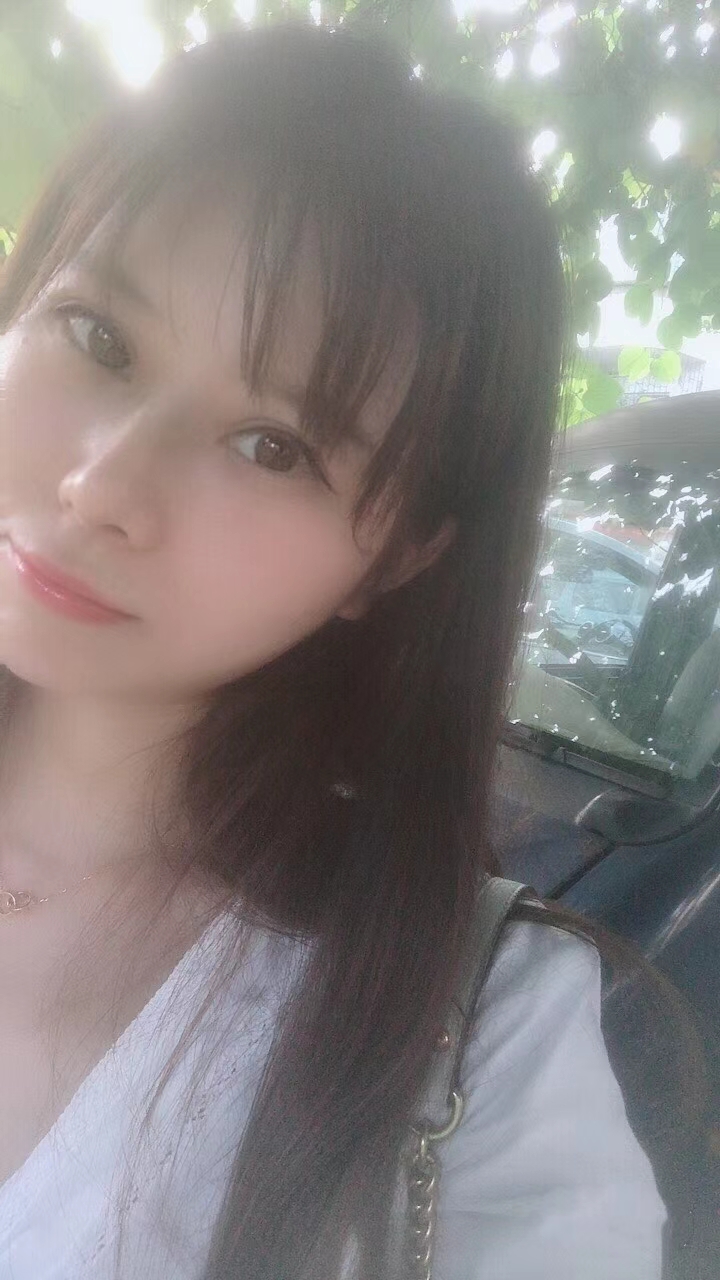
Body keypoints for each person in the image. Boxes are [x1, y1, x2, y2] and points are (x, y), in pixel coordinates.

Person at [0, 22, 666, 1280]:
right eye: (98, 336)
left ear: (397, 558)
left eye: (275, 447)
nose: (104, 484)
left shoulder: (471, 1033)